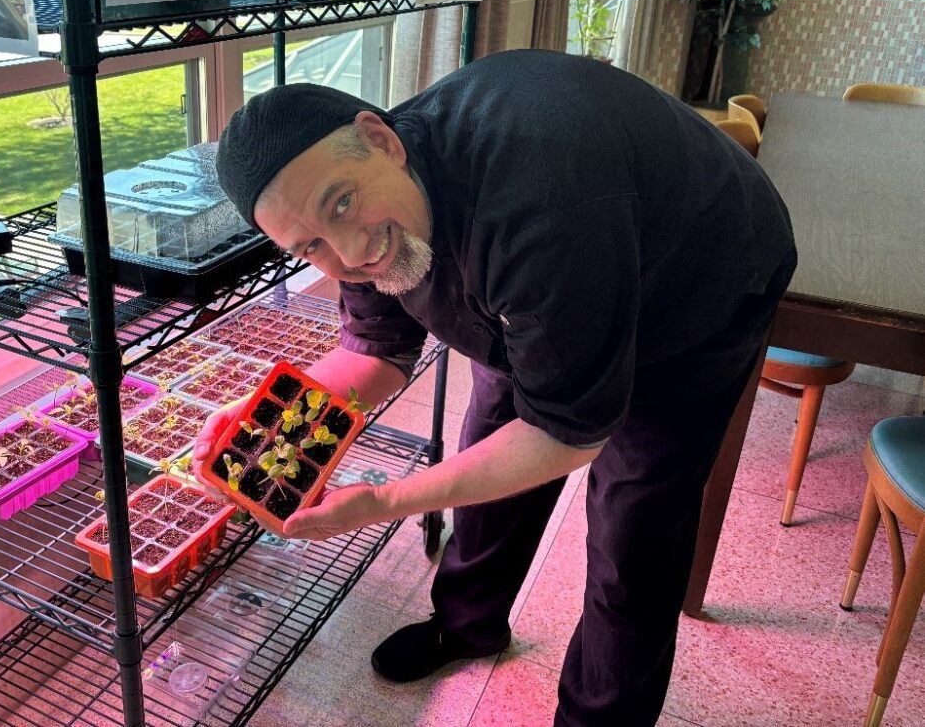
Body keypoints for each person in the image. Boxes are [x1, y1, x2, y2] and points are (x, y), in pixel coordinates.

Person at [193, 49, 796, 727]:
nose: (351, 253)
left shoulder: (539, 198)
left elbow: (566, 434)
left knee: (635, 530)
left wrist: (384, 500)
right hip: (550, 288)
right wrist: (268, 425)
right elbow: (377, 355)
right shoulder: (375, 214)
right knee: (486, 446)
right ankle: (469, 624)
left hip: (698, 284)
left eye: (342, 203)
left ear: (381, 140)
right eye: (311, 247)